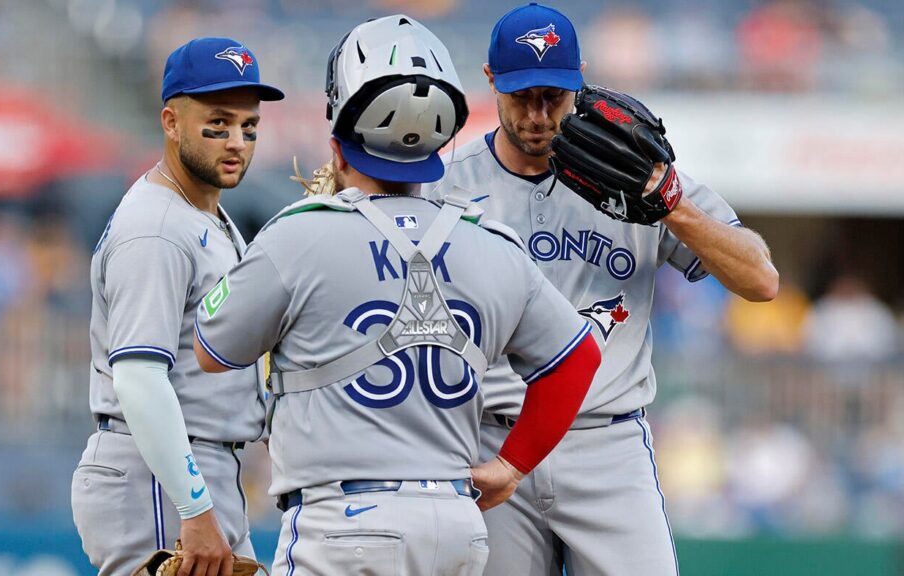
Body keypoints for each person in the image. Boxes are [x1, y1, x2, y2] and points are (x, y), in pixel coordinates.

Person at [194, 15, 601, 576]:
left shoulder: (299, 233)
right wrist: (511, 465)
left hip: (343, 522)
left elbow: (211, 351)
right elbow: (579, 358)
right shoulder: (490, 241)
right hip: (457, 526)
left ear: (338, 147)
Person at [423, 4, 779, 575]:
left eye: (554, 97)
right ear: (491, 82)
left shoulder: (633, 168)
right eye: (522, 97)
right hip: (487, 439)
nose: (539, 115)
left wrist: (672, 208)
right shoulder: (446, 187)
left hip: (605, 443)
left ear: (580, 81)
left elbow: (761, 279)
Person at [71, 37, 283, 576]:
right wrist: (194, 505)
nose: (237, 140)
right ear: (171, 122)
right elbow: (139, 376)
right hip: (159, 478)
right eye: (218, 123)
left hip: (190, 469)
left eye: (248, 126)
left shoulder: (203, 216)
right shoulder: (157, 228)